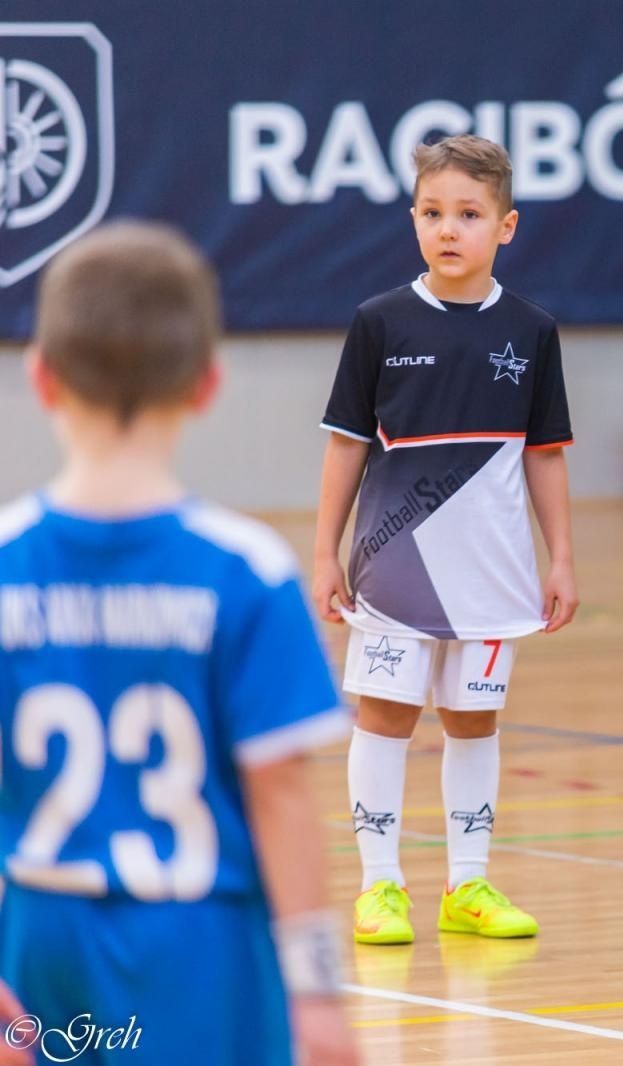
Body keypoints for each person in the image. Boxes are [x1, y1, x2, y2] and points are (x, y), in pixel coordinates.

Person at [0, 221, 358, 1063]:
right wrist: (316, 994)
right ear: (207, 384)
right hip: (204, 951)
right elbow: (280, 797)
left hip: (41, 945)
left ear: (41, 377)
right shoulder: (247, 574)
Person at [312, 134, 577, 947]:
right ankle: (380, 886)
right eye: (432, 213)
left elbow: (545, 454)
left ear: (506, 226)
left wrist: (561, 558)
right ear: (414, 220)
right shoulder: (379, 322)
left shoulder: (532, 331)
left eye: (468, 214)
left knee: (473, 722)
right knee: (385, 715)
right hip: (391, 571)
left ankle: (468, 883)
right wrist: (324, 552)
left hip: (493, 575)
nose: (448, 229)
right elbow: (346, 445)